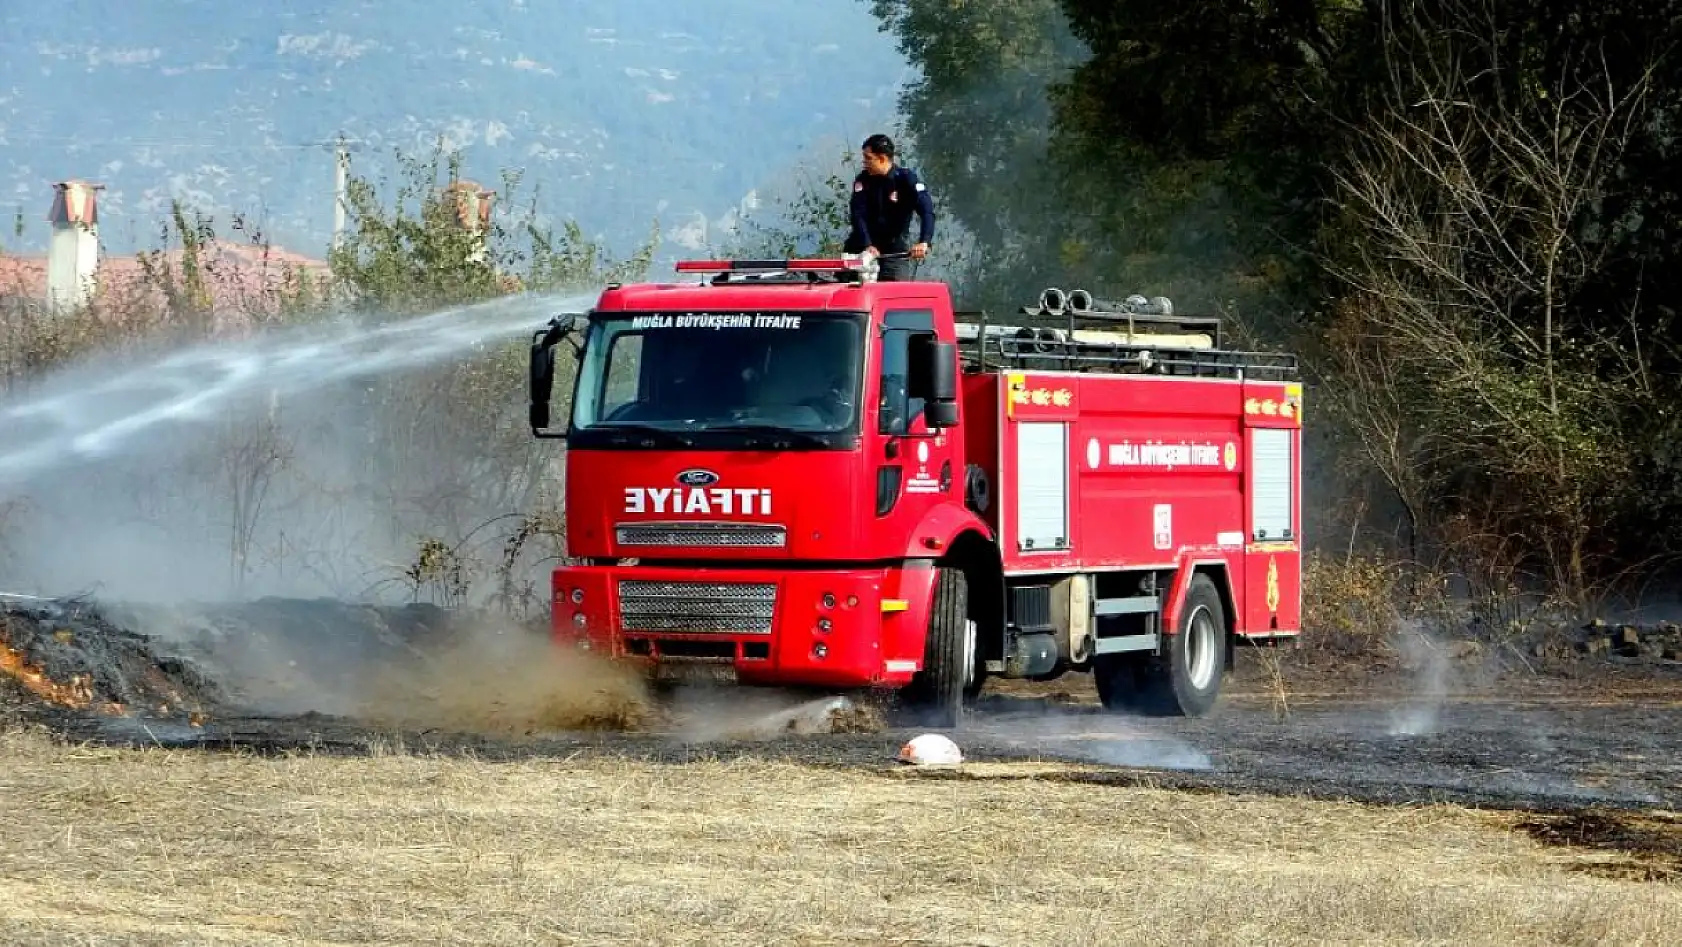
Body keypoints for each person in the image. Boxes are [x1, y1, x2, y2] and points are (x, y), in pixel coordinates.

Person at [844, 133, 935, 282]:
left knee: (895, 290)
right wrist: (867, 245)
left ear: (882, 158)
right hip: (862, 249)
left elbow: (927, 211)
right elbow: (858, 215)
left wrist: (924, 241)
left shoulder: (905, 179)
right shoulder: (863, 180)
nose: (864, 162)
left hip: (893, 252)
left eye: (868, 158)